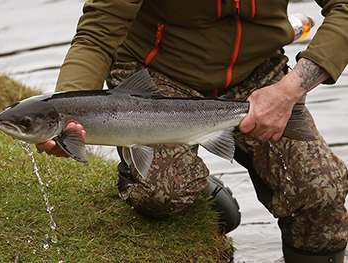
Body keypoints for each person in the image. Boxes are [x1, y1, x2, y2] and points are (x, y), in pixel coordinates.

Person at [36, 0, 348, 262]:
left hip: (257, 73)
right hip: (156, 80)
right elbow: (98, 32)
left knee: (321, 193)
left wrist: (287, 91)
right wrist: (66, 114)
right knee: (162, 194)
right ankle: (186, 180)